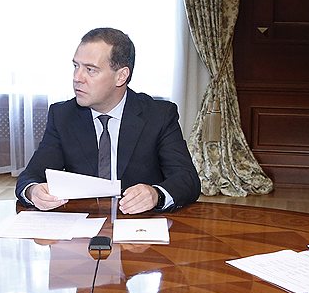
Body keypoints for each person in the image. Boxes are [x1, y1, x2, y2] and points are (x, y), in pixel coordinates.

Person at [16, 27, 201, 214]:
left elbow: (187, 179)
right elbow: (30, 177)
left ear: (121, 76)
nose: (77, 78)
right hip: (83, 222)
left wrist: (156, 194)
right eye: (76, 66)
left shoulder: (158, 115)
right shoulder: (63, 115)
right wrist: (34, 191)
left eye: (90, 70)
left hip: (139, 224)